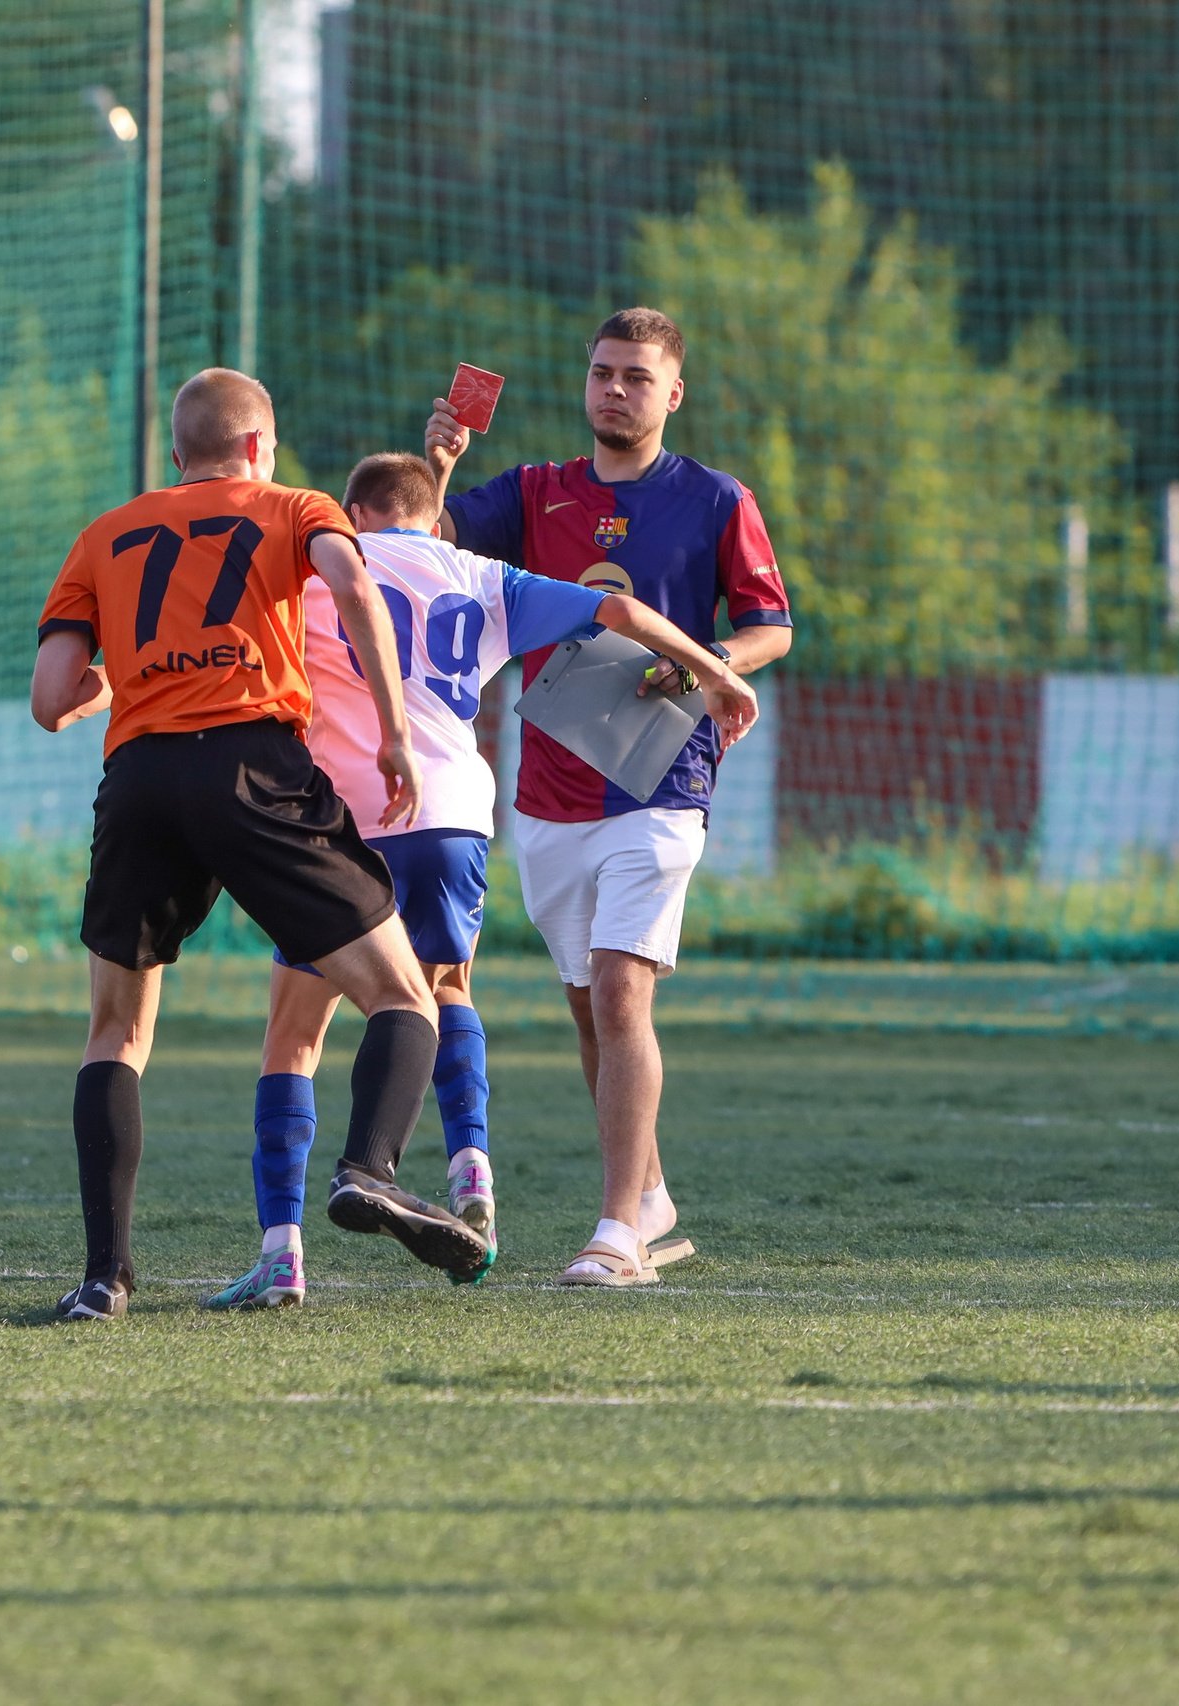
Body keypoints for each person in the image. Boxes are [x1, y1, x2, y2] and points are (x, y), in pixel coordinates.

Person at [205, 451, 755, 1309]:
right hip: (454, 812)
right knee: (448, 988)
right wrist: (716, 670)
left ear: (351, 511)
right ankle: (474, 1174)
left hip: (342, 816)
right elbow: (617, 608)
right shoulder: (480, 573)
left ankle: (282, 1254)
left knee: (296, 1034)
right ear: (434, 518)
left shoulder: (319, 560)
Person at [30, 367, 487, 1323]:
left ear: (174, 453)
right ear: (255, 447)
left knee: (115, 1033)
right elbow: (353, 582)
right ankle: (369, 1171)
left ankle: (103, 1278)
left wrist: (141, 675)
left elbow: (52, 700)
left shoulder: (103, 536)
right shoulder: (294, 505)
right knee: (405, 993)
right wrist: (397, 730)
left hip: (143, 780)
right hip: (255, 767)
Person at [427, 306, 793, 1288]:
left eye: (636, 375)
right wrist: (444, 459)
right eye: (601, 371)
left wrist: (706, 665)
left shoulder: (716, 499)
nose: (614, 389)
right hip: (545, 791)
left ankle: (615, 1232)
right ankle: (653, 1196)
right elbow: (417, 537)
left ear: (673, 392)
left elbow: (770, 626)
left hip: (661, 780)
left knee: (623, 990)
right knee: (589, 1009)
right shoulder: (535, 491)